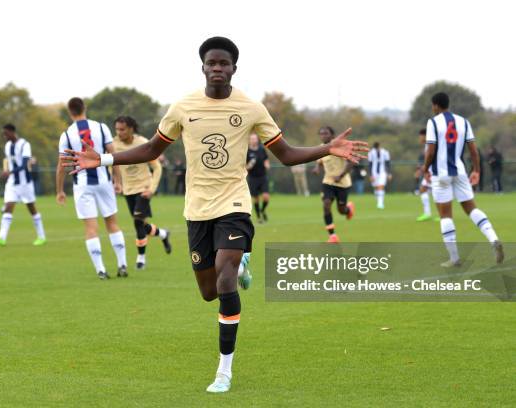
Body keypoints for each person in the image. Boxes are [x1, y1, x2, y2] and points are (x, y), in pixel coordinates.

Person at [61, 37, 367, 393]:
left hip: (234, 204)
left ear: (234, 68)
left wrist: (326, 148)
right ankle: (241, 264)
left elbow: (285, 153)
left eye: (224, 63)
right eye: (212, 63)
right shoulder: (182, 107)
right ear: (203, 67)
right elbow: (151, 148)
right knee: (209, 291)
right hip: (197, 209)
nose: (218, 68)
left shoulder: (252, 108)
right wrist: (105, 158)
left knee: (225, 280)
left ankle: (224, 370)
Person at [422, 92, 503, 267]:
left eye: (432, 105)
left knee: (445, 215)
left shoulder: (433, 122)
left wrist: (425, 168)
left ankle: (454, 258)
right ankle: (493, 238)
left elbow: (430, 151)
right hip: (459, 172)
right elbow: (473, 150)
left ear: (436, 105)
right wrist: (476, 170)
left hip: (441, 174)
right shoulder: (463, 122)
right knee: (472, 208)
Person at [56, 98, 128, 279]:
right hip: (104, 182)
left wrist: (60, 190)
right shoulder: (101, 127)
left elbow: (62, 165)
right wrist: (117, 180)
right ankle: (122, 264)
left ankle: (101, 270)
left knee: (90, 228)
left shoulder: (66, 134)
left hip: (82, 185)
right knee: (112, 223)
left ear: (70, 112)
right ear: (84, 108)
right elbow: (113, 156)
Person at [113, 115, 172, 270]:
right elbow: (112, 165)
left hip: (143, 188)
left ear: (131, 129)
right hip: (127, 190)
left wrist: (151, 189)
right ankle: (163, 234)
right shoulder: (114, 144)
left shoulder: (143, 143)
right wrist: (117, 182)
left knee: (138, 221)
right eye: (117, 129)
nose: (119, 132)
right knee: (143, 224)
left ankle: (141, 259)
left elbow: (157, 167)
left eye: (122, 129)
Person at [0, 124, 46, 246]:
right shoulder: (7, 146)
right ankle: (1, 238)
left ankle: (41, 236)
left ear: (12, 132)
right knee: (8, 207)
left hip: (25, 183)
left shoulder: (25, 145)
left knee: (32, 209)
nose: (4, 136)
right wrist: (7, 172)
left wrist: (10, 172)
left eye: (6, 133)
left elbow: (25, 164)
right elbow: (9, 162)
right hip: (12, 183)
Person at [312, 126, 355, 243]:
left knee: (341, 210)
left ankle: (348, 209)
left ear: (332, 135)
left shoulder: (340, 147)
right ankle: (333, 236)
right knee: (326, 205)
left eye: (325, 133)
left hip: (343, 183)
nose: (323, 136)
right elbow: (319, 161)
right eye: (321, 134)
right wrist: (316, 168)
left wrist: (341, 175)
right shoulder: (321, 148)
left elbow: (351, 162)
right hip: (328, 182)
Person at [246, 133, 270, 223]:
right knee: (256, 199)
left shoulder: (261, 149)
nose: (253, 140)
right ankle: (259, 217)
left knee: (266, 197)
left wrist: (267, 164)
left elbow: (266, 159)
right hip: (252, 178)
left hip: (262, 177)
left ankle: (262, 210)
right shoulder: (246, 151)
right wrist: (249, 165)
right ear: (249, 140)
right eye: (251, 139)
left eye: (255, 139)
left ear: (257, 140)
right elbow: (244, 167)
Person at [415, 128, 434, 221]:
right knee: (423, 189)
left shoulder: (430, 144)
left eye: (420, 136)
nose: (420, 138)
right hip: (430, 171)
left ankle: (442, 215)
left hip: (433, 172)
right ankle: (428, 213)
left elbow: (431, 158)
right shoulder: (428, 144)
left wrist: (422, 170)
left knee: (438, 192)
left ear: (425, 136)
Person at [368, 142, 391, 209]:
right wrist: (370, 175)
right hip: (374, 172)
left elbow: (388, 163)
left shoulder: (385, 152)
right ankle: (378, 201)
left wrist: (389, 173)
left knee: (380, 186)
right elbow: (370, 164)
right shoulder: (371, 153)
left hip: (382, 172)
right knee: (376, 187)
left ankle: (380, 203)